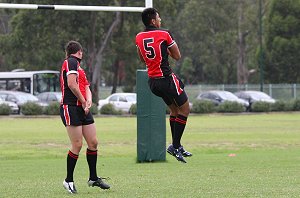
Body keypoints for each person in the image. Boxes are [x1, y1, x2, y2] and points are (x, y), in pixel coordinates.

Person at [135, 8, 192, 163]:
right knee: (185, 109)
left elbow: (142, 58)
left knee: (174, 110)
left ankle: (176, 146)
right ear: (153, 21)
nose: (160, 20)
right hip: (166, 78)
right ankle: (175, 145)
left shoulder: (139, 37)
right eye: (158, 18)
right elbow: (177, 56)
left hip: (153, 82)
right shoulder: (164, 34)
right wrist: (165, 49)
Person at [59, 40, 110, 194]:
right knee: (77, 144)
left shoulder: (79, 68)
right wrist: (83, 101)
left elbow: (86, 86)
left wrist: (88, 101)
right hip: (71, 107)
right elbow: (71, 84)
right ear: (80, 52)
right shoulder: (71, 62)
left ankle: (93, 178)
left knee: (93, 142)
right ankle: (68, 180)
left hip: (82, 108)